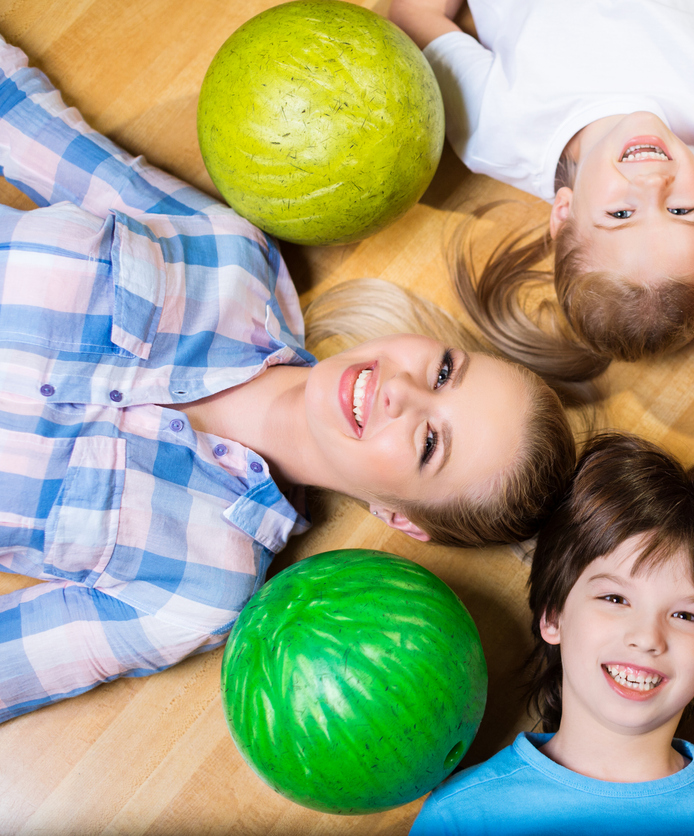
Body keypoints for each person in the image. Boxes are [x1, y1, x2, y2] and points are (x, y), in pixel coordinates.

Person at [0, 36, 576, 724]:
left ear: (399, 520)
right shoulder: (232, 255)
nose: (402, 392)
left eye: (429, 444)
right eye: (446, 372)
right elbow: (26, 126)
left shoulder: (200, 589)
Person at [388, 0, 694, 401]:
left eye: (622, 213)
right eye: (682, 211)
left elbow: (413, 16)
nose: (653, 183)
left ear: (564, 212)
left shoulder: (498, 128)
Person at [411, 433, 694, 835]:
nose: (648, 637)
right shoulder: (461, 816)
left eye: (687, 615)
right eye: (616, 598)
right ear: (553, 616)